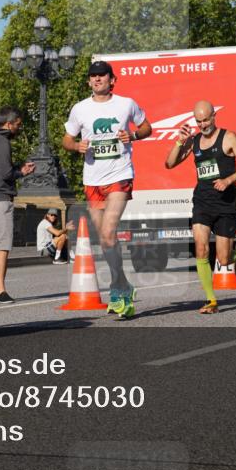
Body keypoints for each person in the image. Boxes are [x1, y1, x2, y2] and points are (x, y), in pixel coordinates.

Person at [63, 60, 152, 319]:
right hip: (92, 180)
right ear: (89, 81)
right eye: (93, 76)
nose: (97, 79)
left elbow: (146, 127)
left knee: (109, 231)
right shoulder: (80, 109)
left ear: (112, 80)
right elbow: (67, 139)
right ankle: (123, 283)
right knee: (104, 238)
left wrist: (133, 136)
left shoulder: (126, 104)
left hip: (120, 175)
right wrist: (76, 146)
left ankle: (116, 289)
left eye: (102, 75)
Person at [165, 100, 236, 314]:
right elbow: (169, 164)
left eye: (206, 119)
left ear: (214, 116)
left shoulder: (228, 137)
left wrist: (229, 180)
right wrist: (179, 142)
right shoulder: (194, 141)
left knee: (223, 260)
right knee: (201, 248)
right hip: (202, 201)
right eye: (199, 121)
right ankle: (211, 300)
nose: (203, 124)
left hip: (225, 204)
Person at [0, 107, 36, 303]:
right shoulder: (3, 142)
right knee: (3, 246)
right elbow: (5, 173)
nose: (18, 128)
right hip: (1, 198)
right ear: (9, 124)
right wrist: (22, 172)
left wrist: (17, 168)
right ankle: (2, 290)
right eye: (18, 125)